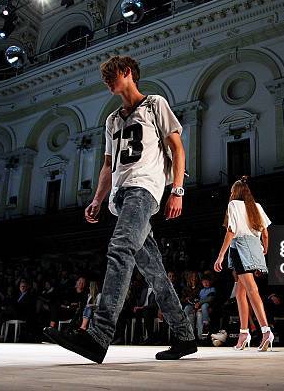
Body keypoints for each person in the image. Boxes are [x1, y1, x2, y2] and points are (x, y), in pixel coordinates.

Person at [43, 55, 196, 363]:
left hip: (145, 189)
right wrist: (98, 199)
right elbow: (108, 166)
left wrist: (177, 190)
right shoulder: (112, 120)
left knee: (119, 249)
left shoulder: (155, 104)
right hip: (120, 198)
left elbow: (177, 148)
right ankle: (185, 336)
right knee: (154, 272)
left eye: (110, 75)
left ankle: (97, 336)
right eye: (104, 78)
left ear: (127, 72)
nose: (106, 81)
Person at [214, 176, 273, 351]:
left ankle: (266, 331)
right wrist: (264, 250)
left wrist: (220, 255)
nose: (230, 194)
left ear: (235, 192)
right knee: (240, 293)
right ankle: (244, 333)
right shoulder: (257, 207)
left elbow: (231, 231)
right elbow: (266, 234)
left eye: (232, 191)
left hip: (240, 246)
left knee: (252, 289)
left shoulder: (233, 205)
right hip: (255, 246)